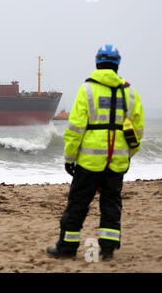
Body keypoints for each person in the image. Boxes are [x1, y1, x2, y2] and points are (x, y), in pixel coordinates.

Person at [46, 44, 144, 261]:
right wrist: (128, 155)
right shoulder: (130, 93)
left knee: (78, 203)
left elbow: (74, 129)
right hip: (117, 161)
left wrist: (69, 158)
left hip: (89, 161)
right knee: (111, 204)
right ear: (118, 63)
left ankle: (67, 249)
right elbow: (137, 131)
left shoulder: (87, 89)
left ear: (97, 62)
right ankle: (108, 250)